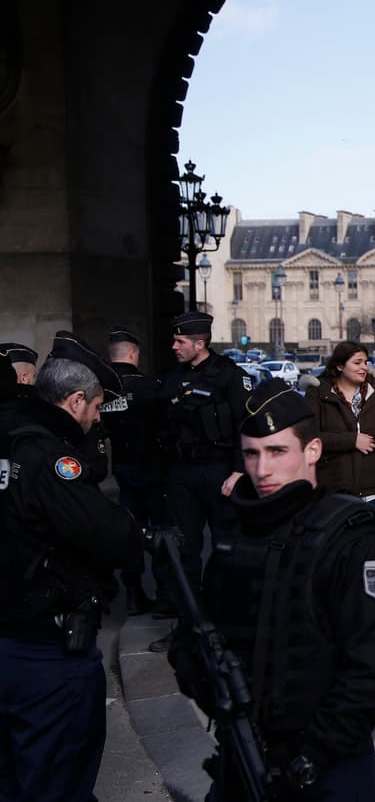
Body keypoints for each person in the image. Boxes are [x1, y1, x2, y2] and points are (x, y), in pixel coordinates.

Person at [168, 378, 375, 800]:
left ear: (312, 451)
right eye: (251, 453)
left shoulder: (354, 539)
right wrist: (216, 697)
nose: (262, 470)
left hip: (327, 766)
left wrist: (310, 756)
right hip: (243, 753)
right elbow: (195, 637)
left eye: (277, 451)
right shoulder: (237, 532)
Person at [0, 332, 145, 802]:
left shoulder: (9, 432)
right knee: (57, 779)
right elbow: (109, 535)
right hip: (44, 649)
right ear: (77, 400)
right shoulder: (50, 455)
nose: (99, 418)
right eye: (97, 406)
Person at [152, 311, 250, 649]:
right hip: (183, 474)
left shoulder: (229, 375)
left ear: (200, 343)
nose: (174, 346)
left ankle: (226, 623)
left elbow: (244, 425)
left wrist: (239, 471)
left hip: (220, 471)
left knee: (226, 548)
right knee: (183, 550)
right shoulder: (173, 377)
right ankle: (188, 624)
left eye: (180, 341)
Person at [100, 326, 165, 615]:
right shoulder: (148, 387)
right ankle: (165, 596)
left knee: (132, 534)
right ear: (134, 353)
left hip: (123, 470)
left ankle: (133, 594)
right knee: (162, 534)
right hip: (154, 470)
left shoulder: (101, 391)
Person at [303, 341, 375, 510]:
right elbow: (309, 438)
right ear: (340, 366)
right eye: (357, 362)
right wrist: (352, 440)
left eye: (366, 362)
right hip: (334, 489)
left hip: (374, 489)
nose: (364, 368)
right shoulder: (318, 394)